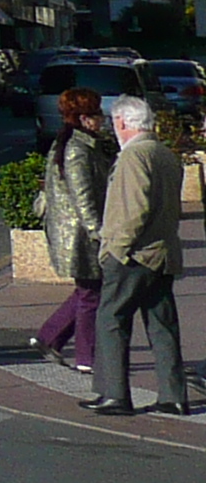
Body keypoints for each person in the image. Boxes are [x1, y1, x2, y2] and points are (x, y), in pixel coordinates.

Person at [90, 96, 191, 417]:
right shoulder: (164, 154)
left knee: (111, 320)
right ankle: (173, 395)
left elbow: (133, 210)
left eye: (113, 122)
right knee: (162, 325)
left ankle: (115, 394)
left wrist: (114, 251)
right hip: (163, 252)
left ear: (122, 122)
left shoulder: (134, 157)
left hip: (134, 254)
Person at [36, 87, 112, 380]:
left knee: (87, 291)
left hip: (77, 234)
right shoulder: (77, 150)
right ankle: (85, 357)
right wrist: (99, 233)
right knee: (90, 295)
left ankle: (48, 336)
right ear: (83, 118)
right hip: (80, 236)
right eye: (97, 114)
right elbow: (83, 198)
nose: (102, 119)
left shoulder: (76, 143)